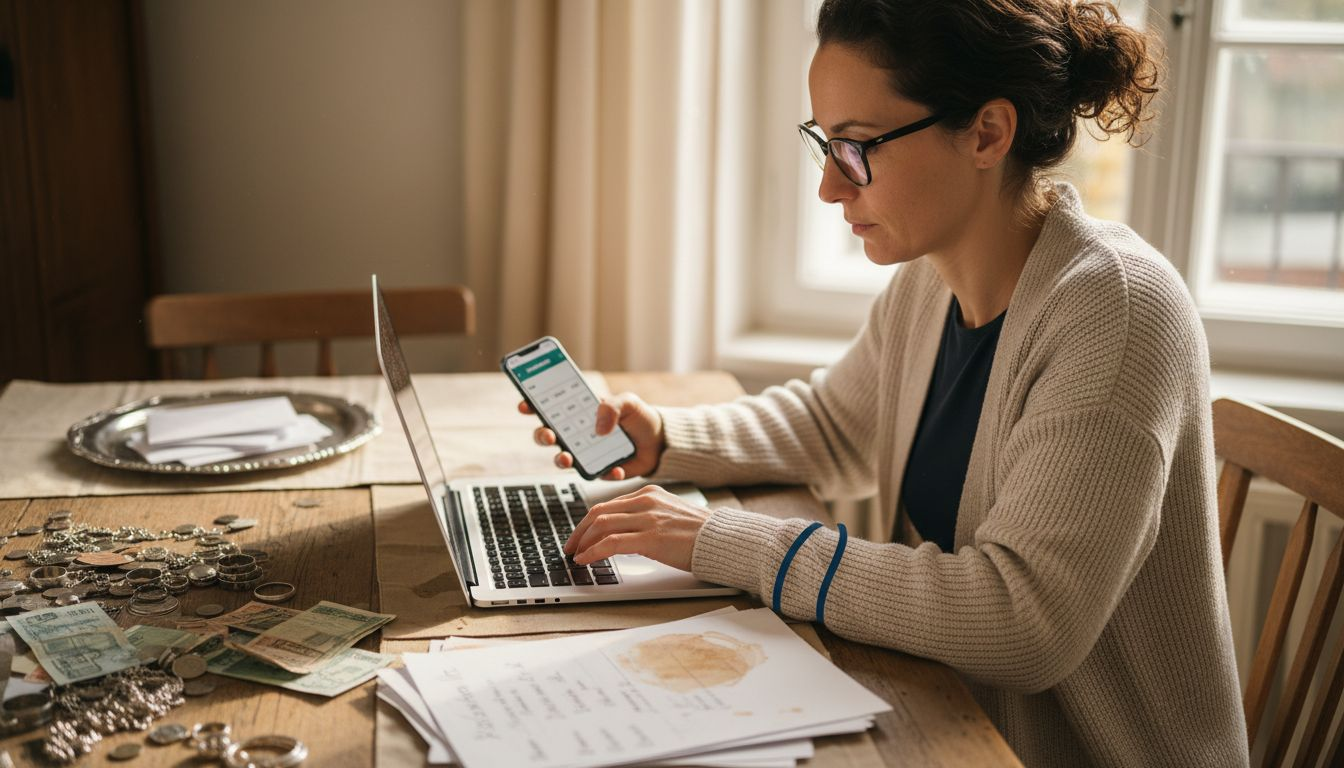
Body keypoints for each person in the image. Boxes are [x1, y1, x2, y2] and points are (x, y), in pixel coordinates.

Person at [521, 1, 1248, 765]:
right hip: (950, 718)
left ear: (987, 134)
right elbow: (837, 425)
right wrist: (666, 438)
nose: (833, 188)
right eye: (824, 143)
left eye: (859, 147)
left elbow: (1022, 623)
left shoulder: (1116, 313)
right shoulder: (932, 280)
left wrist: (719, 541)